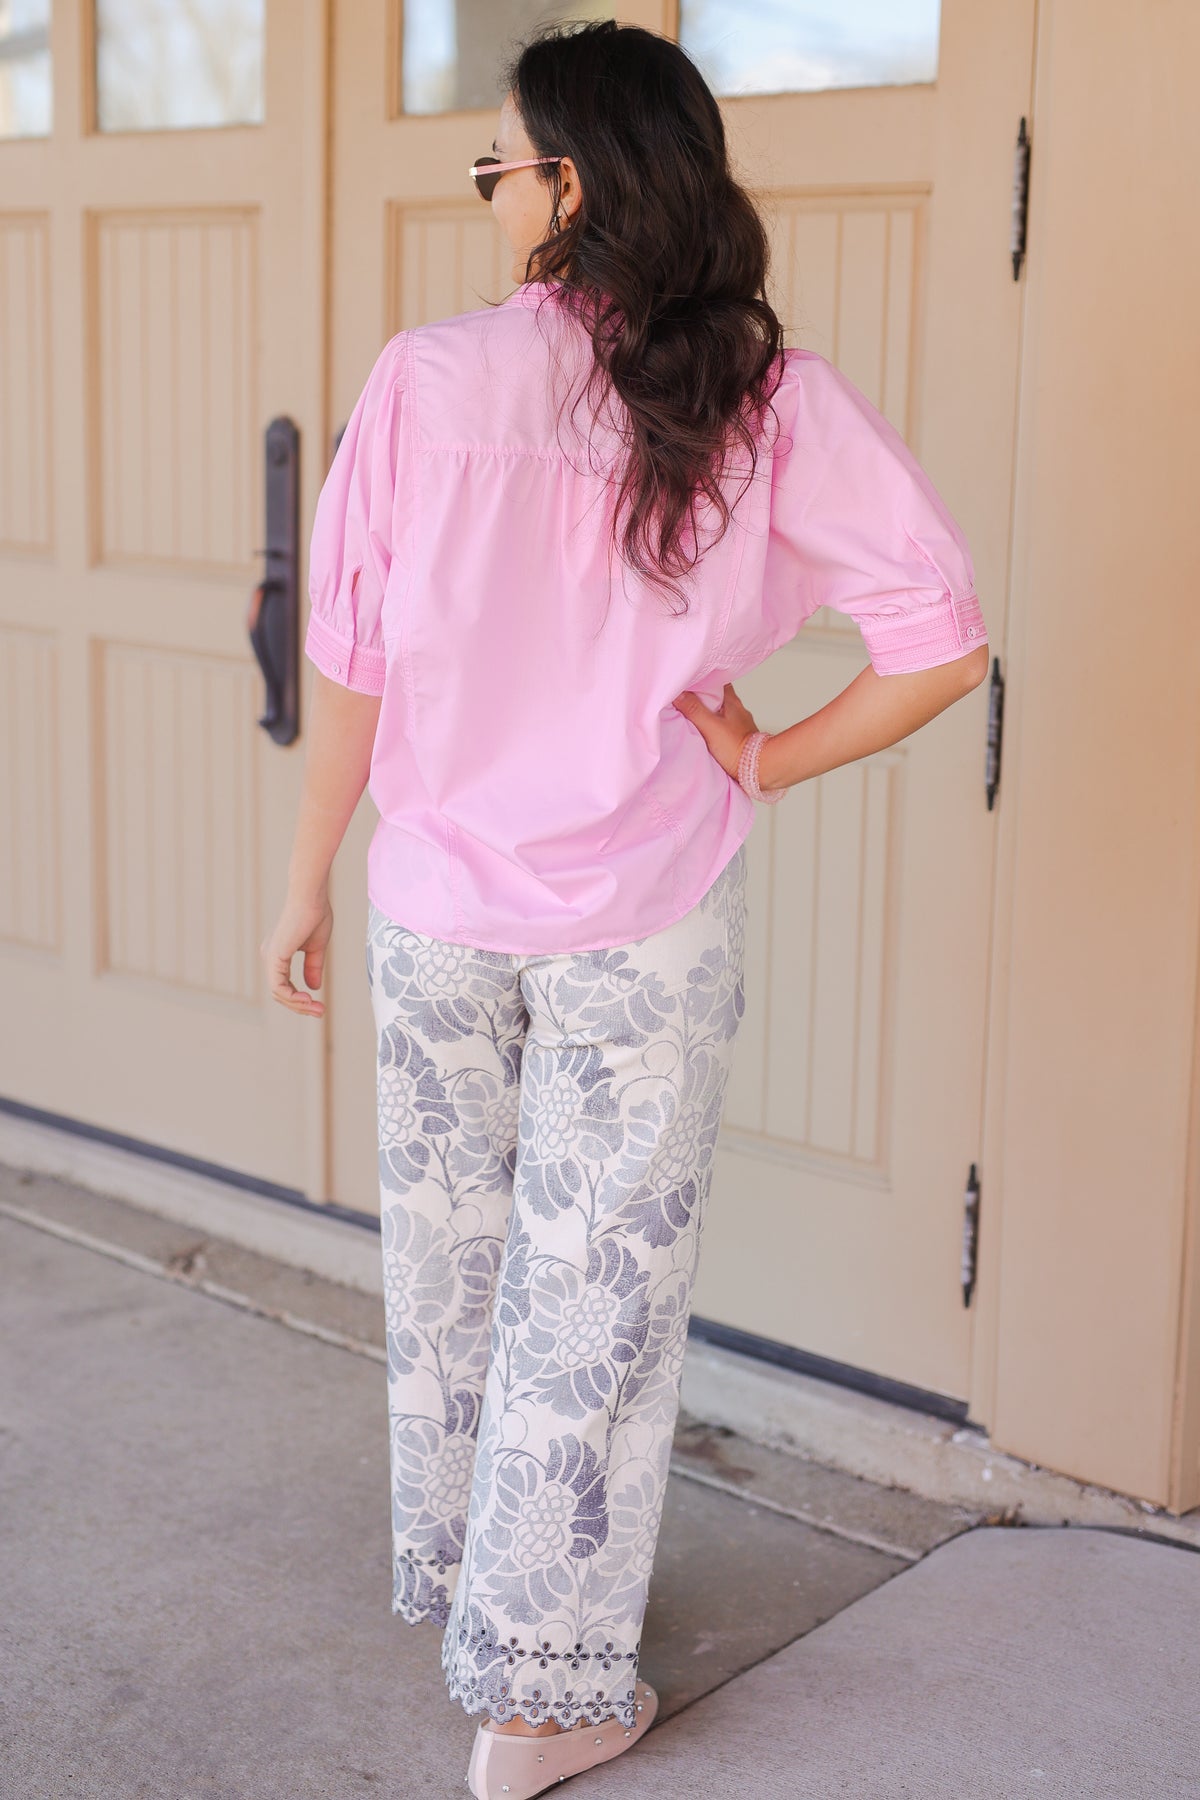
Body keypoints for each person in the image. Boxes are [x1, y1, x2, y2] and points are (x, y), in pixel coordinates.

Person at [260, 19, 990, 1799]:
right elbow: (946, 641)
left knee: (457, 1272)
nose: (490, 192)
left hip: (434, 906)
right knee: (597, 1296)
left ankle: (483, 1614)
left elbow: (346, 661)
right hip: (641, 920)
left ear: (572, 181)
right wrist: (769, 757)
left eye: (499, 163)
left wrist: (300, 883)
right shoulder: (766, 397)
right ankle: (539, 1695)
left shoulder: (425, 381)